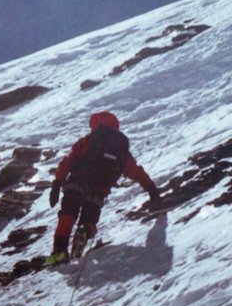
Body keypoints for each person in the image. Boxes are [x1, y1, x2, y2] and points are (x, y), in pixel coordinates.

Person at [45, 111, 161, 266]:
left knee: (68, 214)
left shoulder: (87, 141)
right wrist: (151, 189)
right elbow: (137, 172)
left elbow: (67, 161)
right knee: (89, 219)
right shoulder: (120, 150)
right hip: (99, 191)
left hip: (76, 182)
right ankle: (85, 231)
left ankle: (59, 252)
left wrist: (57, 183)